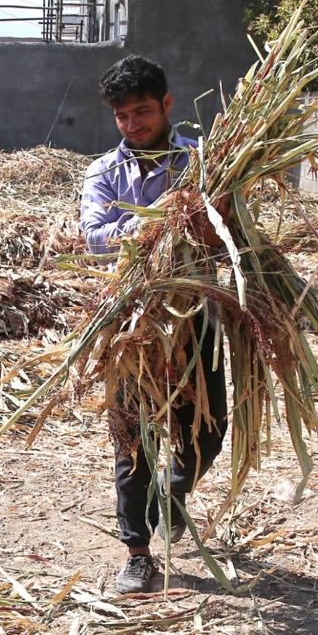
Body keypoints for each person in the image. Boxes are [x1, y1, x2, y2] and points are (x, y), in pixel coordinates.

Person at [80, 54, 228, 594]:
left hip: (195, 314)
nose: (131, 124)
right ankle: (138, 552)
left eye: (141, 111)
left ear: (166, 104)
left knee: (208, 432)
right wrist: (157, 224)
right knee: (133, 439)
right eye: (121, 116)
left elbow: (227, 231)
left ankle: (173, 491)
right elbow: (94, 239)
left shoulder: (204, 164)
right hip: (130, 322)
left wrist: (206, 224)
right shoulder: (103, 172)